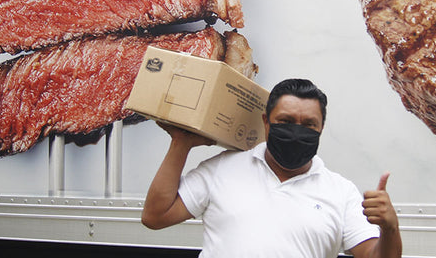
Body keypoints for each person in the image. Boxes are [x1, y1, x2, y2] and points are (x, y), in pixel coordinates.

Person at [141, 78, 402, 258]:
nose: (296, 131)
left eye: (308, 124)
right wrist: (180, 144)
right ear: (266, 122)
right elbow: (156, 216)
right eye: (286, 121)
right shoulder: (221, 168)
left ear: (321, 128)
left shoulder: (341, 192)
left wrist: (389, 228)